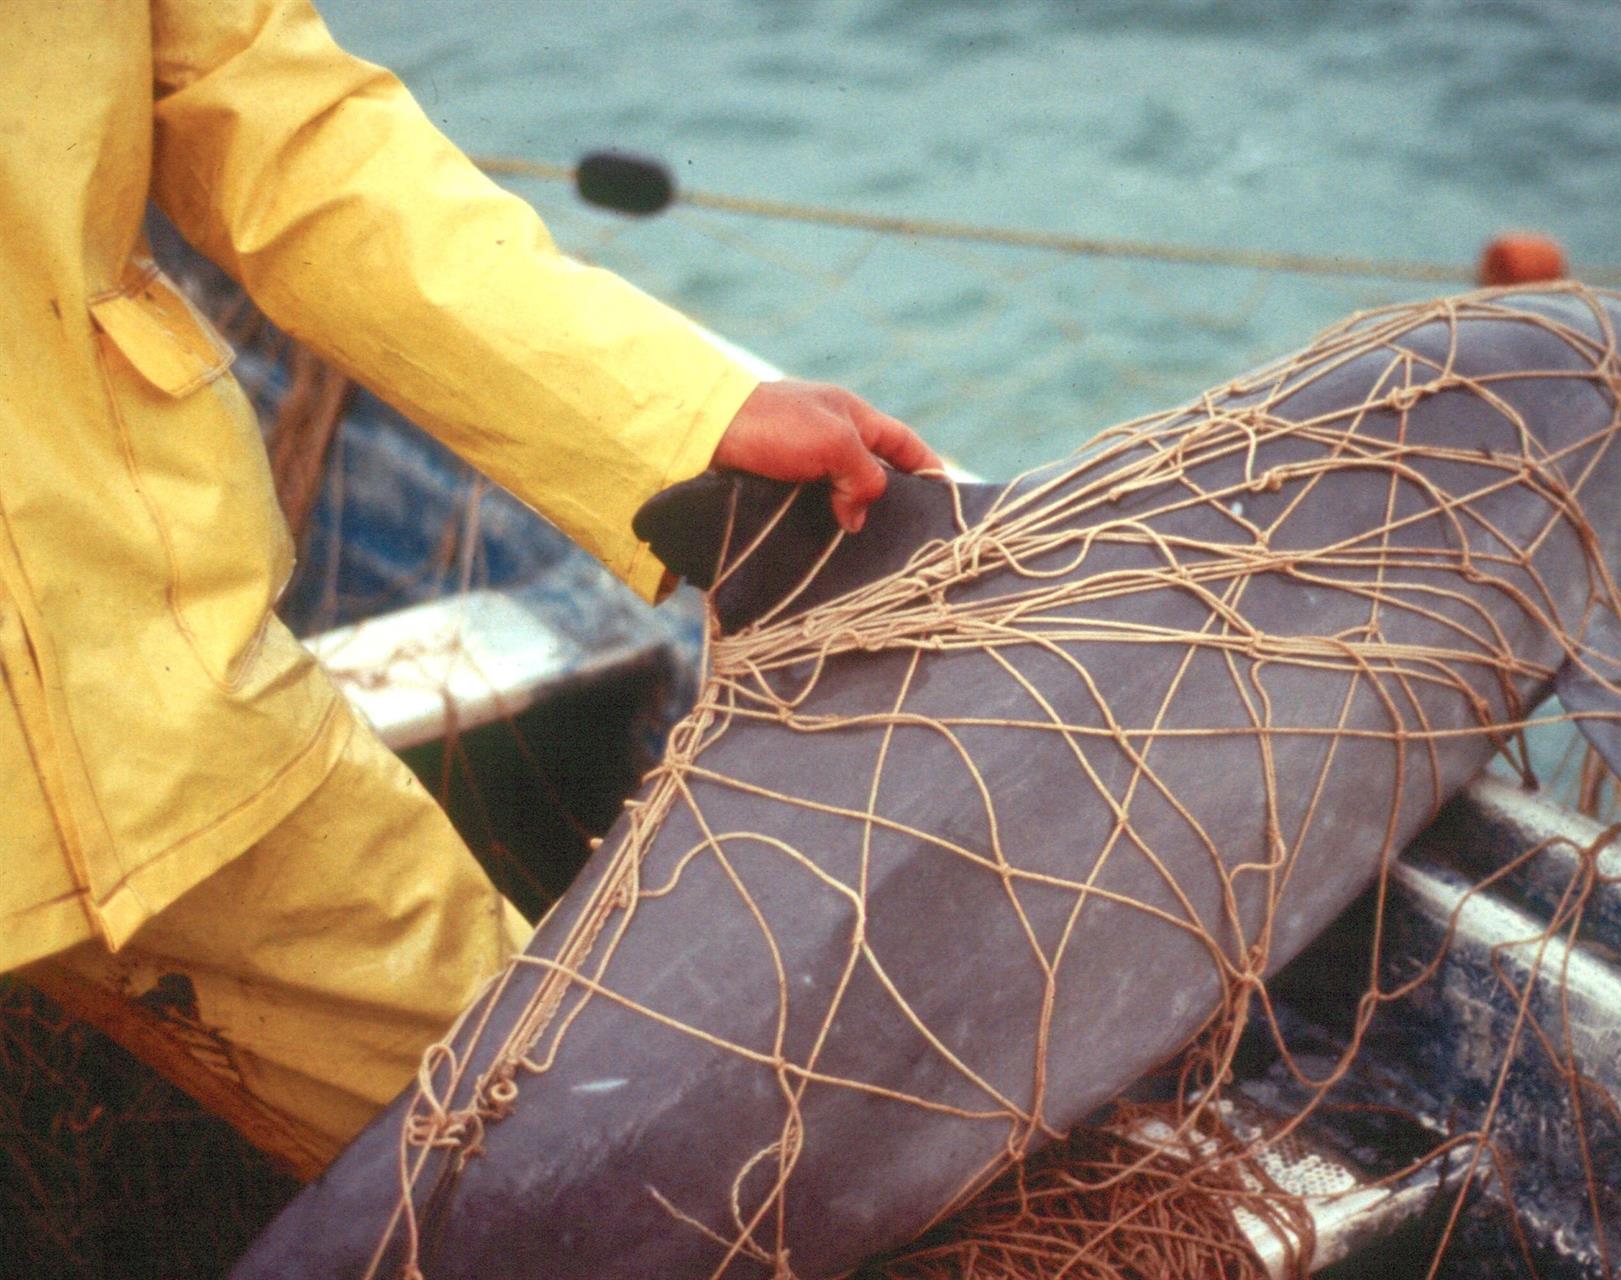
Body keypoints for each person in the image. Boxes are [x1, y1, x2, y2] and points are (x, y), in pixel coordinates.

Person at [0, 0, 939, 1177]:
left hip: (150, 687)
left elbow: (285, 130)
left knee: (584, 1163)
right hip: (137, 694)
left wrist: (687, 411)